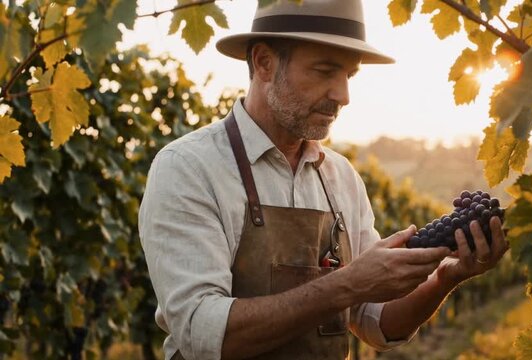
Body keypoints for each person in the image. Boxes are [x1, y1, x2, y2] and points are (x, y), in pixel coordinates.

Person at [138, 0, 509, 359]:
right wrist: (349, 283)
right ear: (264, 63)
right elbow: (205, 336)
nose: (343, 95)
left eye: (349, 75)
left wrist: (447, 278)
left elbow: (377, 324)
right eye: (325, 70)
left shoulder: (341, 178)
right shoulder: (189, 168)